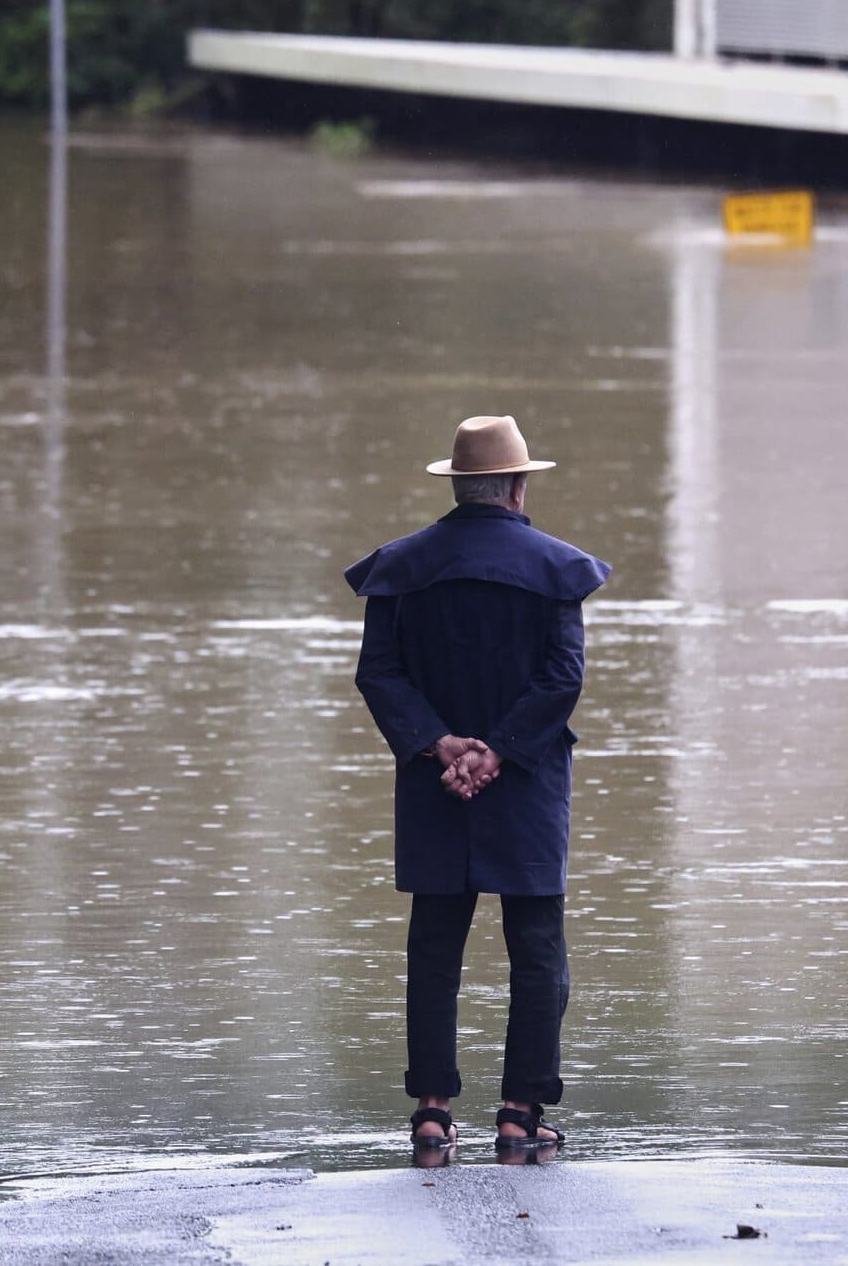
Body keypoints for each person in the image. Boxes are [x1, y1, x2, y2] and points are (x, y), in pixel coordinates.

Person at [345, 414, 611, 1155]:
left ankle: (432, 1109)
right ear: (519, 488)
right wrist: (498, 750)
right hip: (525, 779)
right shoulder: (558, 569)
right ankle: (521, 1113)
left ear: (461, 486)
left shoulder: (401, 567)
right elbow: (563, 678)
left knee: (435, 943)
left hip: (435, 780)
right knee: (537, 947)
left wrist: (441, 744)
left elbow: (380, 675)